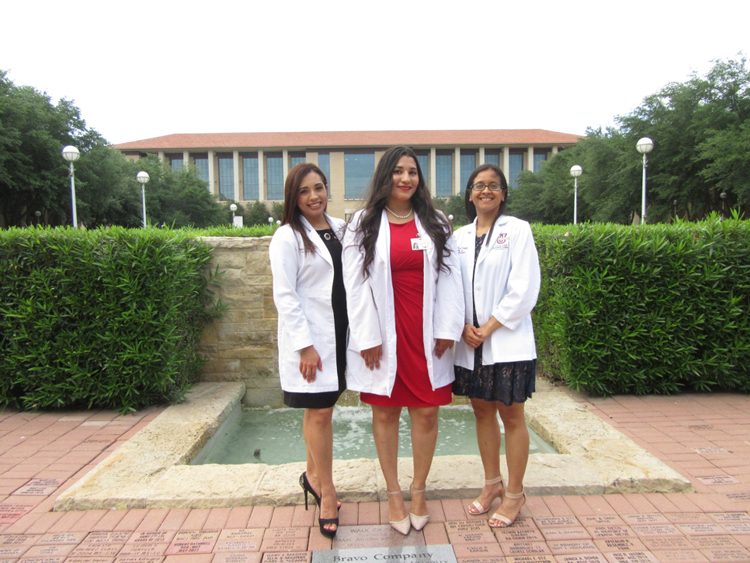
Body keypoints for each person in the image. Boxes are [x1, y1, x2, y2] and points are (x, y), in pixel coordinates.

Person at [342, 146, 463, 535]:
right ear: (385, 177)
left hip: (425, 333)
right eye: (398, 171)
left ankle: (419, 490)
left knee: (427, 412)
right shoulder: (362, 223)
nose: (406, 179)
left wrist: (448, 327)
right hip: (383, 333)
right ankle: (394, 493)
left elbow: (451, 277)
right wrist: (366, 336)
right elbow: (355, 286)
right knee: (386, 412)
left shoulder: (436, 221)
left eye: (412, 172)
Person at [452, 163, 541, 528]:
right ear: (470, 194)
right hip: (470, 341)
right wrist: (461, 326)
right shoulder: (458, 236)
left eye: (493, 185)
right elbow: (450, 288)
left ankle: (516, 493)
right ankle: (492, 484)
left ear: (503, 193)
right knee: (482, 412)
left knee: (512, 416)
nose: (485, 191)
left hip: (505, 341)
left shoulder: (518, 230)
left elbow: (524, 289)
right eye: (478, 185)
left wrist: (486, 328)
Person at [269, 163, 348, 539]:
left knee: (318, 411)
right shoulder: (287, 236)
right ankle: (327, 492)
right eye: (304, 191)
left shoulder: (340, 229)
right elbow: (284, 296)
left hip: (340, 334)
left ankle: (312, 476)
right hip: (313, 342)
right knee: (319, 414)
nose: (314, 196)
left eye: (319, 188)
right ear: (293, 197)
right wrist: (305, 347)